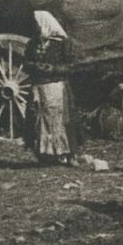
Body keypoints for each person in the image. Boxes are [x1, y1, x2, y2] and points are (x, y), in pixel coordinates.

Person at [26, 9, 78, 165]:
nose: (35, 27)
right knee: (39, 121)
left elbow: (72, 66)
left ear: (45, 23)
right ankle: (45, 155)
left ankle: (68, 155)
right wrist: (34, 66)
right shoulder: (32, 43)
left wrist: (53, 69)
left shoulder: (63, 44)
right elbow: (25, 61)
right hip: (38, 88)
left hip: (56, 87)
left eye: (37, 23)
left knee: (60, 121)